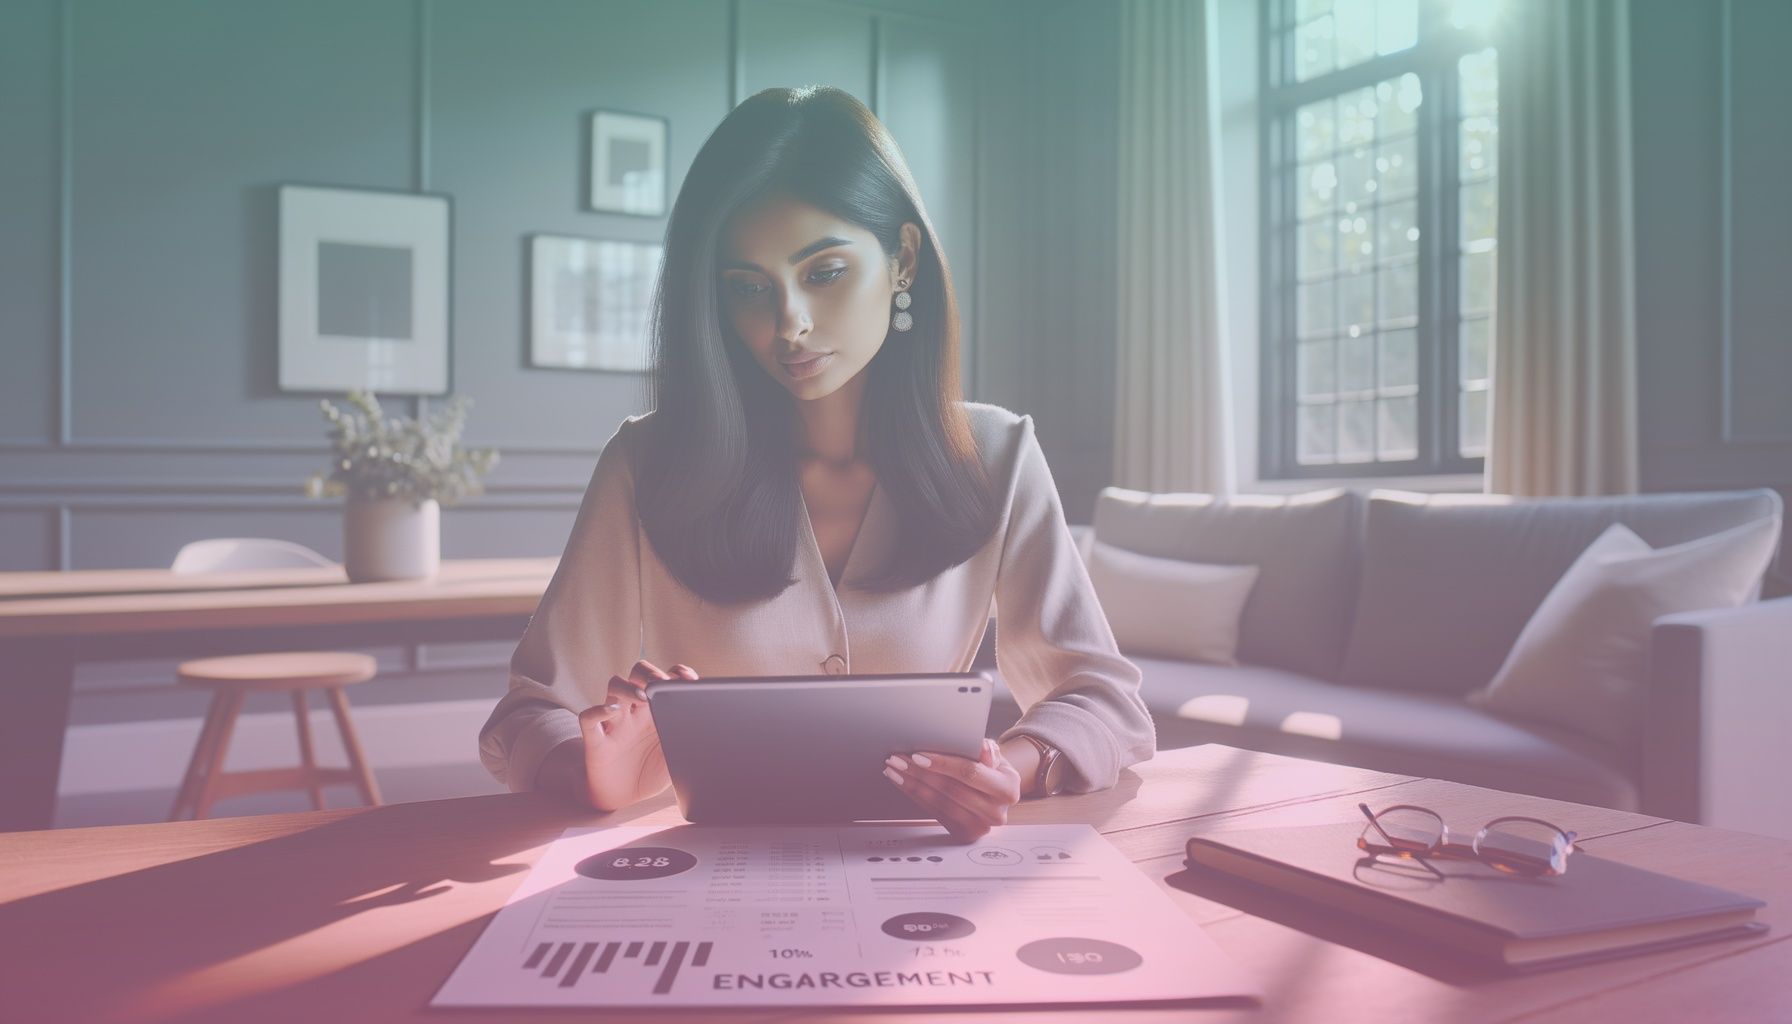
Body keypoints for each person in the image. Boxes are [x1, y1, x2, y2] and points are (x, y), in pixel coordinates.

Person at [478, 85, 1153, 842]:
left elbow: (1102, 698)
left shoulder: (997, 456)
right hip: (711, 884)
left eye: (824, 272)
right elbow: (529, 711)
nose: (788, 322)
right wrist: (591, 774)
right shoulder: (647, 463)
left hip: (926, 891)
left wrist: (1013, 770)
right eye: (747, 287)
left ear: (902, 259)